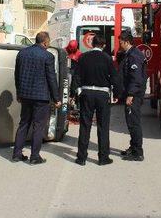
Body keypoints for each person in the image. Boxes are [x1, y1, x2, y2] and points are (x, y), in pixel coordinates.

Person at [12, 32, 61, 164]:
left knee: (24, 124)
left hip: (25, 95)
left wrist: (19, 92)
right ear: (45, 42)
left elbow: (17, 74)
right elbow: (51, 78)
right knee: (38, 126)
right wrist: (56, 99)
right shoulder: (48, 56)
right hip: (41, 97)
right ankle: (35, 156)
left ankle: (17, 154)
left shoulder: (22, 53)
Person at [71, 34, 119, 166]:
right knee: (103, 126)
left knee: (85, 126)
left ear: (92, 44)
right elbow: (114, 77)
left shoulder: (83, 57)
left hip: (86, 93)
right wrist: (117, 94)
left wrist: (73, 93)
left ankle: (81, 158)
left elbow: (77, 76)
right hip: (102, 94)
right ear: (103, 45)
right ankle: (103, 158)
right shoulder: (107, 58)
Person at [118, 31, 147, 161]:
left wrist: (130, 94)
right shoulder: (129, 54)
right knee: (131, 122)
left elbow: (136, 78)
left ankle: (138, 152)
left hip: (134, 95)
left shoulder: (134, 56)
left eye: (121, 43)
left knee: (133, 123)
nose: (119, 45)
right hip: (132, 93)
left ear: (127, 42)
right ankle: (133, 146)